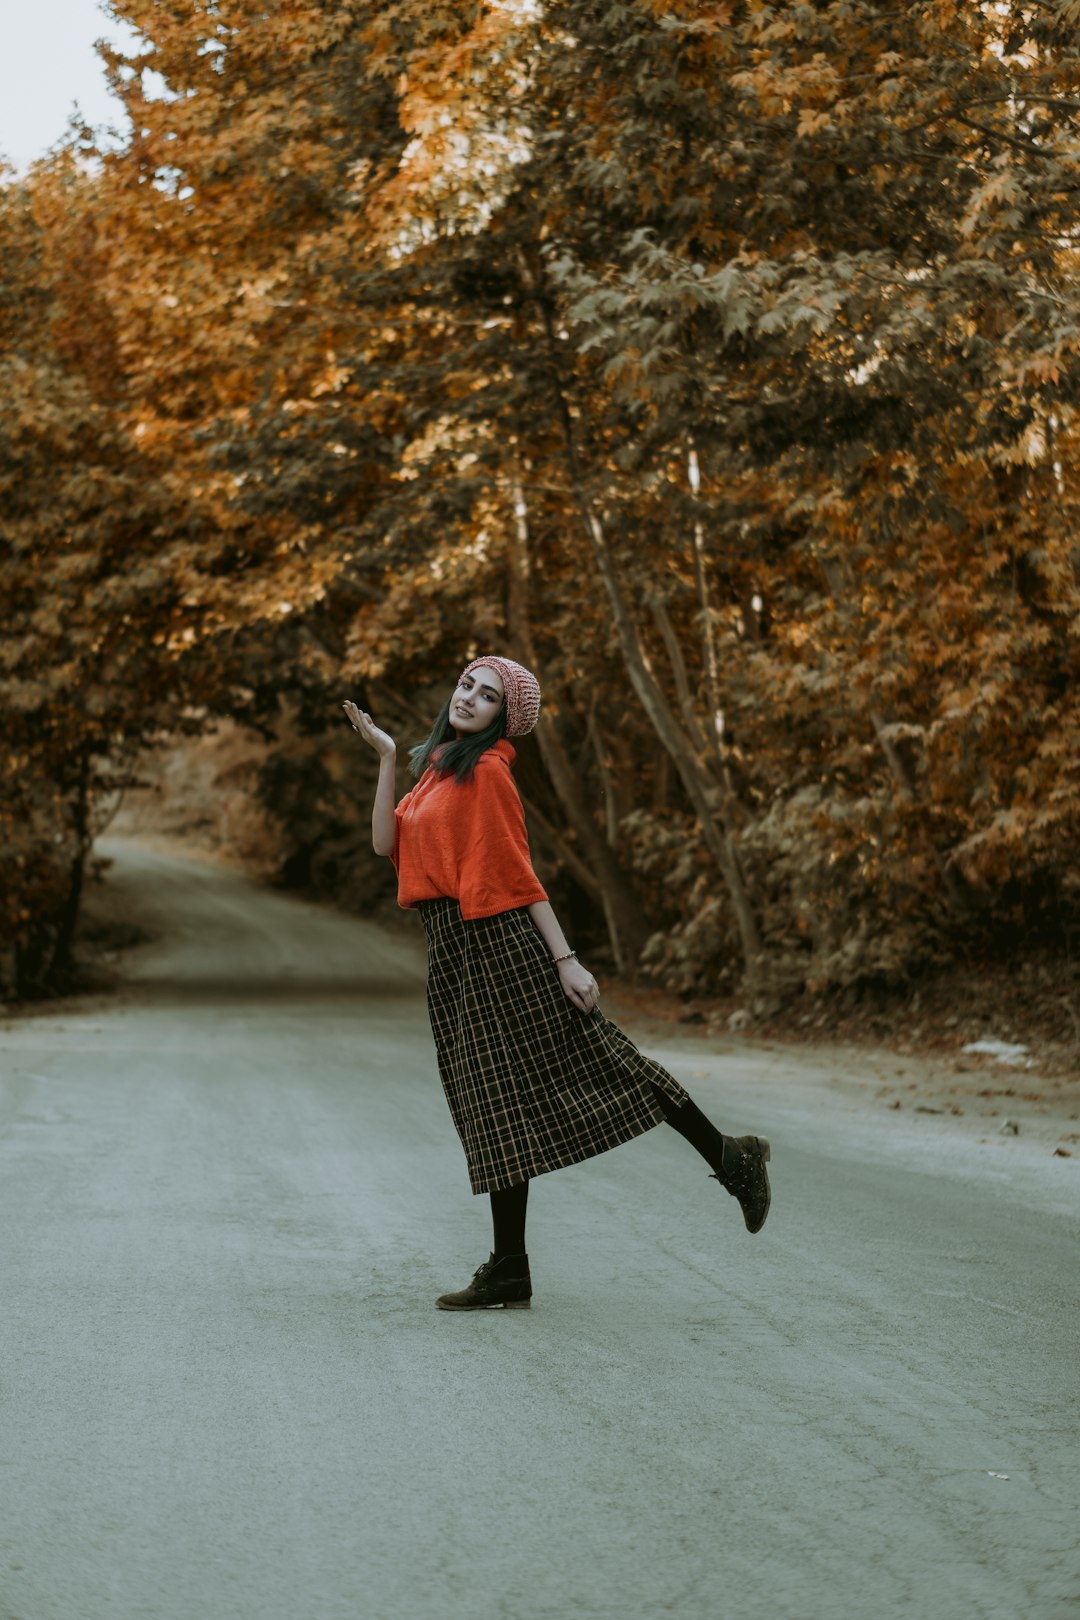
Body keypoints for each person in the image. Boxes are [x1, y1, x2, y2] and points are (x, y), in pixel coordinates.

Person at [343, 655, 771, 1311]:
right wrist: (388, 758)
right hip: (454, 951)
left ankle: (734, 1158)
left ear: (502, 719)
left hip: (500, 945)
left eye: (487, 696)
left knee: (601, 1062)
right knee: (492, 1103)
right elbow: (384, 845)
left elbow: (519, 875)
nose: (469, 698)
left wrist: (566, 959)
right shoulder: (437, 767)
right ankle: (510, 1268)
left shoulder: (487, 774)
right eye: (466, 684)